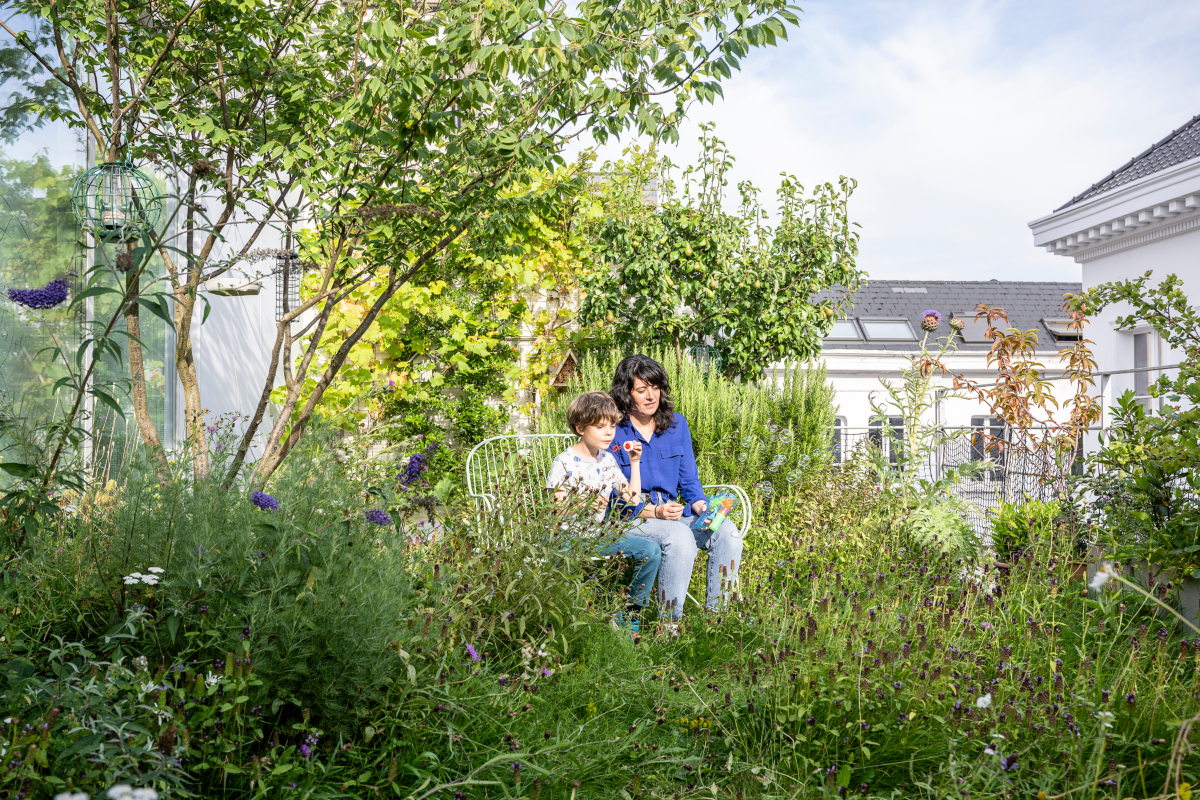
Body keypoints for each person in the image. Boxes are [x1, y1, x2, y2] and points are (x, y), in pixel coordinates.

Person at [608, 354, 742, 619]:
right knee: (679, 537)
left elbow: (689, 481)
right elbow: (612, 495)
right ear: (626, 393)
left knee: (727, 532)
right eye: (642, 389)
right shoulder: (613, 430)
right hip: (632, 516)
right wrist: (653, 511)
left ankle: (716, 620)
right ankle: (669, 626)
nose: (651, 396)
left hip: (671, 513)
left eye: (655, 388)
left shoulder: (676, 425)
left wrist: (703, 505)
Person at [546, 391, 661, 628]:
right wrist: (586, 501)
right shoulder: (564, 462)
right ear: (580, 428)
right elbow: (555, 510)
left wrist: (635, 462)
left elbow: (631, 499)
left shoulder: (607, 460)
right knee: (564, 571)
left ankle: (630, 614)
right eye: (600, 427)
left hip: (598, 536)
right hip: (568, 538)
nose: (609, 432)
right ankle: (568, 618)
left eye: (612, 426)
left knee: (651, 550)